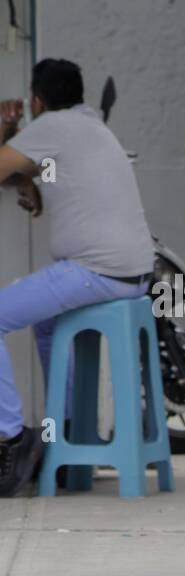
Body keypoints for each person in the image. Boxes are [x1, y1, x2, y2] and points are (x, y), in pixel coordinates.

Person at [0, 59, 155, 495]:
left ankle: (10, 437)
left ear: (36, 100)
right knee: (47, 327)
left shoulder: (51, 125)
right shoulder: (90, 125)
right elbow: (32, 170)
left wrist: (4, 123)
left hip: (96, 271)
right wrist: (30, 182)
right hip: (131, 272)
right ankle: (63, 437)